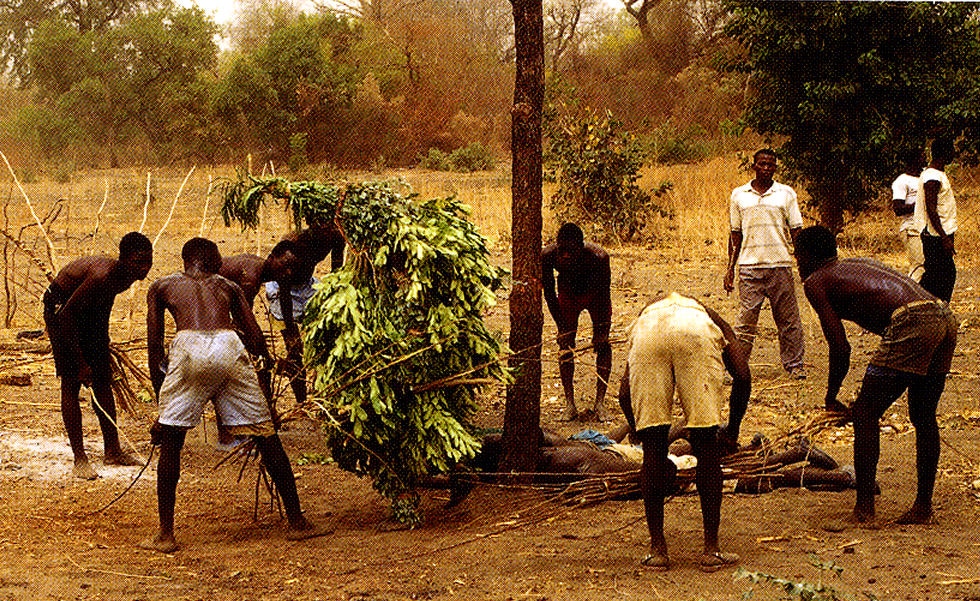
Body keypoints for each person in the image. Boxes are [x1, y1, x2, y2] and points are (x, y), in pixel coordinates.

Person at [141, 237, 320, 553]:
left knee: (172, 442)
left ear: (186, 261)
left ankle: (166, 535)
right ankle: (297, 522)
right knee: (267, 436)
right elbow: (255, 339)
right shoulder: (229, 286)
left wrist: (162, 406)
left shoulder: (161, 286)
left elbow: (154, 347)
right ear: (211, 259)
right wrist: (266, 384)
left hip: (187, 346)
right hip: (228, 343)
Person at [794, 225, 957, 525]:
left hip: (914, 322)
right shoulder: (855, 265)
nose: (797, 263)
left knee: (865, 413)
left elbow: (840, 348)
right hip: (943, 315)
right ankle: (923, 507)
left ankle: (864, 510)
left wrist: (831, 396)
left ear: (807, 256)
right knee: (923, 416)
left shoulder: (816, 281)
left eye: (797, 256)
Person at [617, 292, 750, 572]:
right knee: (706, 444)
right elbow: (743, 376)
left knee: (653, 451)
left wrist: (640, 432)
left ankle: (657, 551)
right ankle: (711, 550)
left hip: (649, 336)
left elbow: (623, 392)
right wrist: (732, 431)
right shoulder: (710, 317)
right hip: (697, 335)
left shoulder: (647, 315)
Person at [43, 232, 153, 480]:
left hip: (83, 313)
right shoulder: (101, 274)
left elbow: (102, 305)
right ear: (123, 259)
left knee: (103, 379)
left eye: (148, 261)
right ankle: (80, 459)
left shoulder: (126, 277)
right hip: (61, 311)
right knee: (72, 383)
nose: (144, 268)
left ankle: (113, 451)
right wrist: (80, 362)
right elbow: (66, 317)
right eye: (138, 262)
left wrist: (101, 344)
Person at [724, 149, 807, 379]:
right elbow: (734, 234)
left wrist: (802, 263)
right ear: (754, 166)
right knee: (745, 321)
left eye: (771, 165)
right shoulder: (739, 195)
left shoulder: (786, 194)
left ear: (775, 168)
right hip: (749, 267)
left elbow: (796, 231)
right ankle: (737, 369)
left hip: (780, 264)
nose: (766, 168)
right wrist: (730, 269)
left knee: (788, 319)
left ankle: (795, 365)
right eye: (762, 164)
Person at [541, 223, 613, 421]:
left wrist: (601, 331)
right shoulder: (548, 256)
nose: (564, 256)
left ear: (581, 247)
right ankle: (569, 404)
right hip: (568, 293)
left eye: (570, 251)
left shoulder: (599, 258)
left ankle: (600, 402)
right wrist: (561, 326)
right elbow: (548, 293)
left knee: (603, 345)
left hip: (596, 294)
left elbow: (605, 294)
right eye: (561, 250)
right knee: (565, 345)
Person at [270, 222, 346, 404]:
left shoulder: (336, 237)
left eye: (331, 224)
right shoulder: (293, 243)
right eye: (322, 225)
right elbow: (285, 292)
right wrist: (291, 330)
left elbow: (336, 272)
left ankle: (322, 391)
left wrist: (332, 297)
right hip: (283, 287)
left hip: (308, 285)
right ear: (312, 224)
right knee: (294, 349)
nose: (329, 229)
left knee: (327, 338)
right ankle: (301, 401)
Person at [219, 242, 304, 403]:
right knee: (259, 359)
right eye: (285, 265)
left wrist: (293, 339)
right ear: (271, 258)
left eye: (292, 268)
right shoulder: (250, 278)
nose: (288, 272)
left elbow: (286, 304)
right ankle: (266, 405)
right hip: (210, 298)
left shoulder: (282, 274)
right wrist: (266, 355)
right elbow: (244, 322)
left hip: (229, 302)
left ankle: (298, 402)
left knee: (266, 358)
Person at [914, 138, 958, 302]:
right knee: (941, 276)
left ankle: (934, 309)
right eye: (951, 150)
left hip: (940, 233)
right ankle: (928, 308)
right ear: (944, 153)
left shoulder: (936, 174)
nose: (954, 154)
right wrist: (944, 237)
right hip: (936, 235)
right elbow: (931, 209)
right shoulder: (932, 177)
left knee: (939, 275)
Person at [891, 148, 926, 282]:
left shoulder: (924, 177)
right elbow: (898, 208)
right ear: (914, 160)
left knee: (928, 265)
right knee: (918, 266)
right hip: (911, 227)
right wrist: (919, 205)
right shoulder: (902, 181)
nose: (925, 159)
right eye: (922, 156)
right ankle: (909, 295)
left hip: (925, 227)